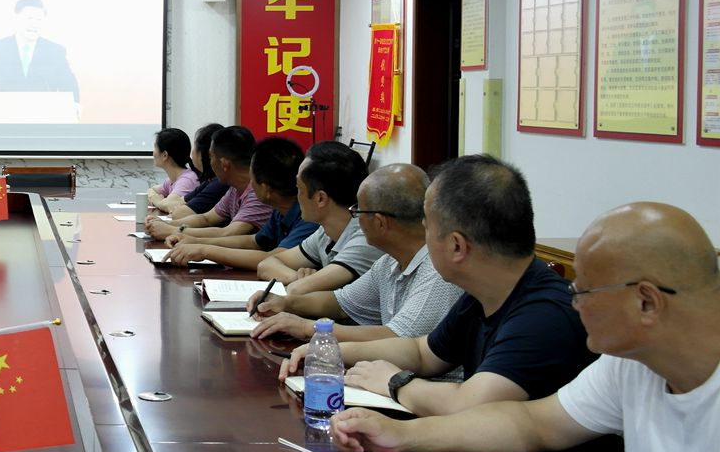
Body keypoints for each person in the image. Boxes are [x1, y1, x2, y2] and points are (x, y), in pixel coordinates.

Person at [329, 202, 720, 452]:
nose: (574, 305)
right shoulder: (631, 362)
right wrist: (403, 435)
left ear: (646, 302)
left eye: (584, 292)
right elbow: (533, 423)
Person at [281, 154, 594, 416]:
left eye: (427, 226)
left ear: (457, 246)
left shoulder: (543, 313)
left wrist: (395, 382)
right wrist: (330, 350)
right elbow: (422, 351)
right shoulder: (482, 294)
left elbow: (471, 405)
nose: (422, 236)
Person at [251, 164, 463, 343]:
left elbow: (398, 338)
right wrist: (285, 303)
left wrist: (307, 328)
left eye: (358, 211)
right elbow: (340, 303)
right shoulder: (388, 262)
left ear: (379, 222)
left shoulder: (437, 270)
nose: (355, 219)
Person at [161, 137, 316, 269]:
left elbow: (274, 258)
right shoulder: (280, 210)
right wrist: (196, 242)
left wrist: (205, 250)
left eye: (252, 178)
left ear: (266, 189)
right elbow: (253, 241)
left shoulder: (310, 217)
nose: (250, 183)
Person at [255, 141, 382, 295]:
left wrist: (303, 283)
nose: (297, 196)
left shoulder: (365, 236)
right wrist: (297, 277)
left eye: (299, 188)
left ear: (320, 198)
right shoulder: (326, 232)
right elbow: (266, 265)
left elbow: (297, 290)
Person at [147, 125, 271, 241]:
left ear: (224, 164)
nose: (209, 162)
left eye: (211, 157)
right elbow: (206, 218)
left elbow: (228, 233)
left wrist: (173, 230)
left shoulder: (257, 192)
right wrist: (165, 224)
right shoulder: (235, 189)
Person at [0, 0, 80, 102]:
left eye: (39, 19)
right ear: (16, 18)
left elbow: (69, 84)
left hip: (45, 111)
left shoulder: (55, 51)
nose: (34, 24)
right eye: (29, 18)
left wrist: (75, 105)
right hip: (6, 110)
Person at [144, 127, 201, 212]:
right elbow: (151, 190)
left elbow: (168, 205)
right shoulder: (171, 180)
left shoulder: (187, 180)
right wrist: (155, 198)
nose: (153, 152)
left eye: (155, 147)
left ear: (165, 155)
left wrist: (157, 201)